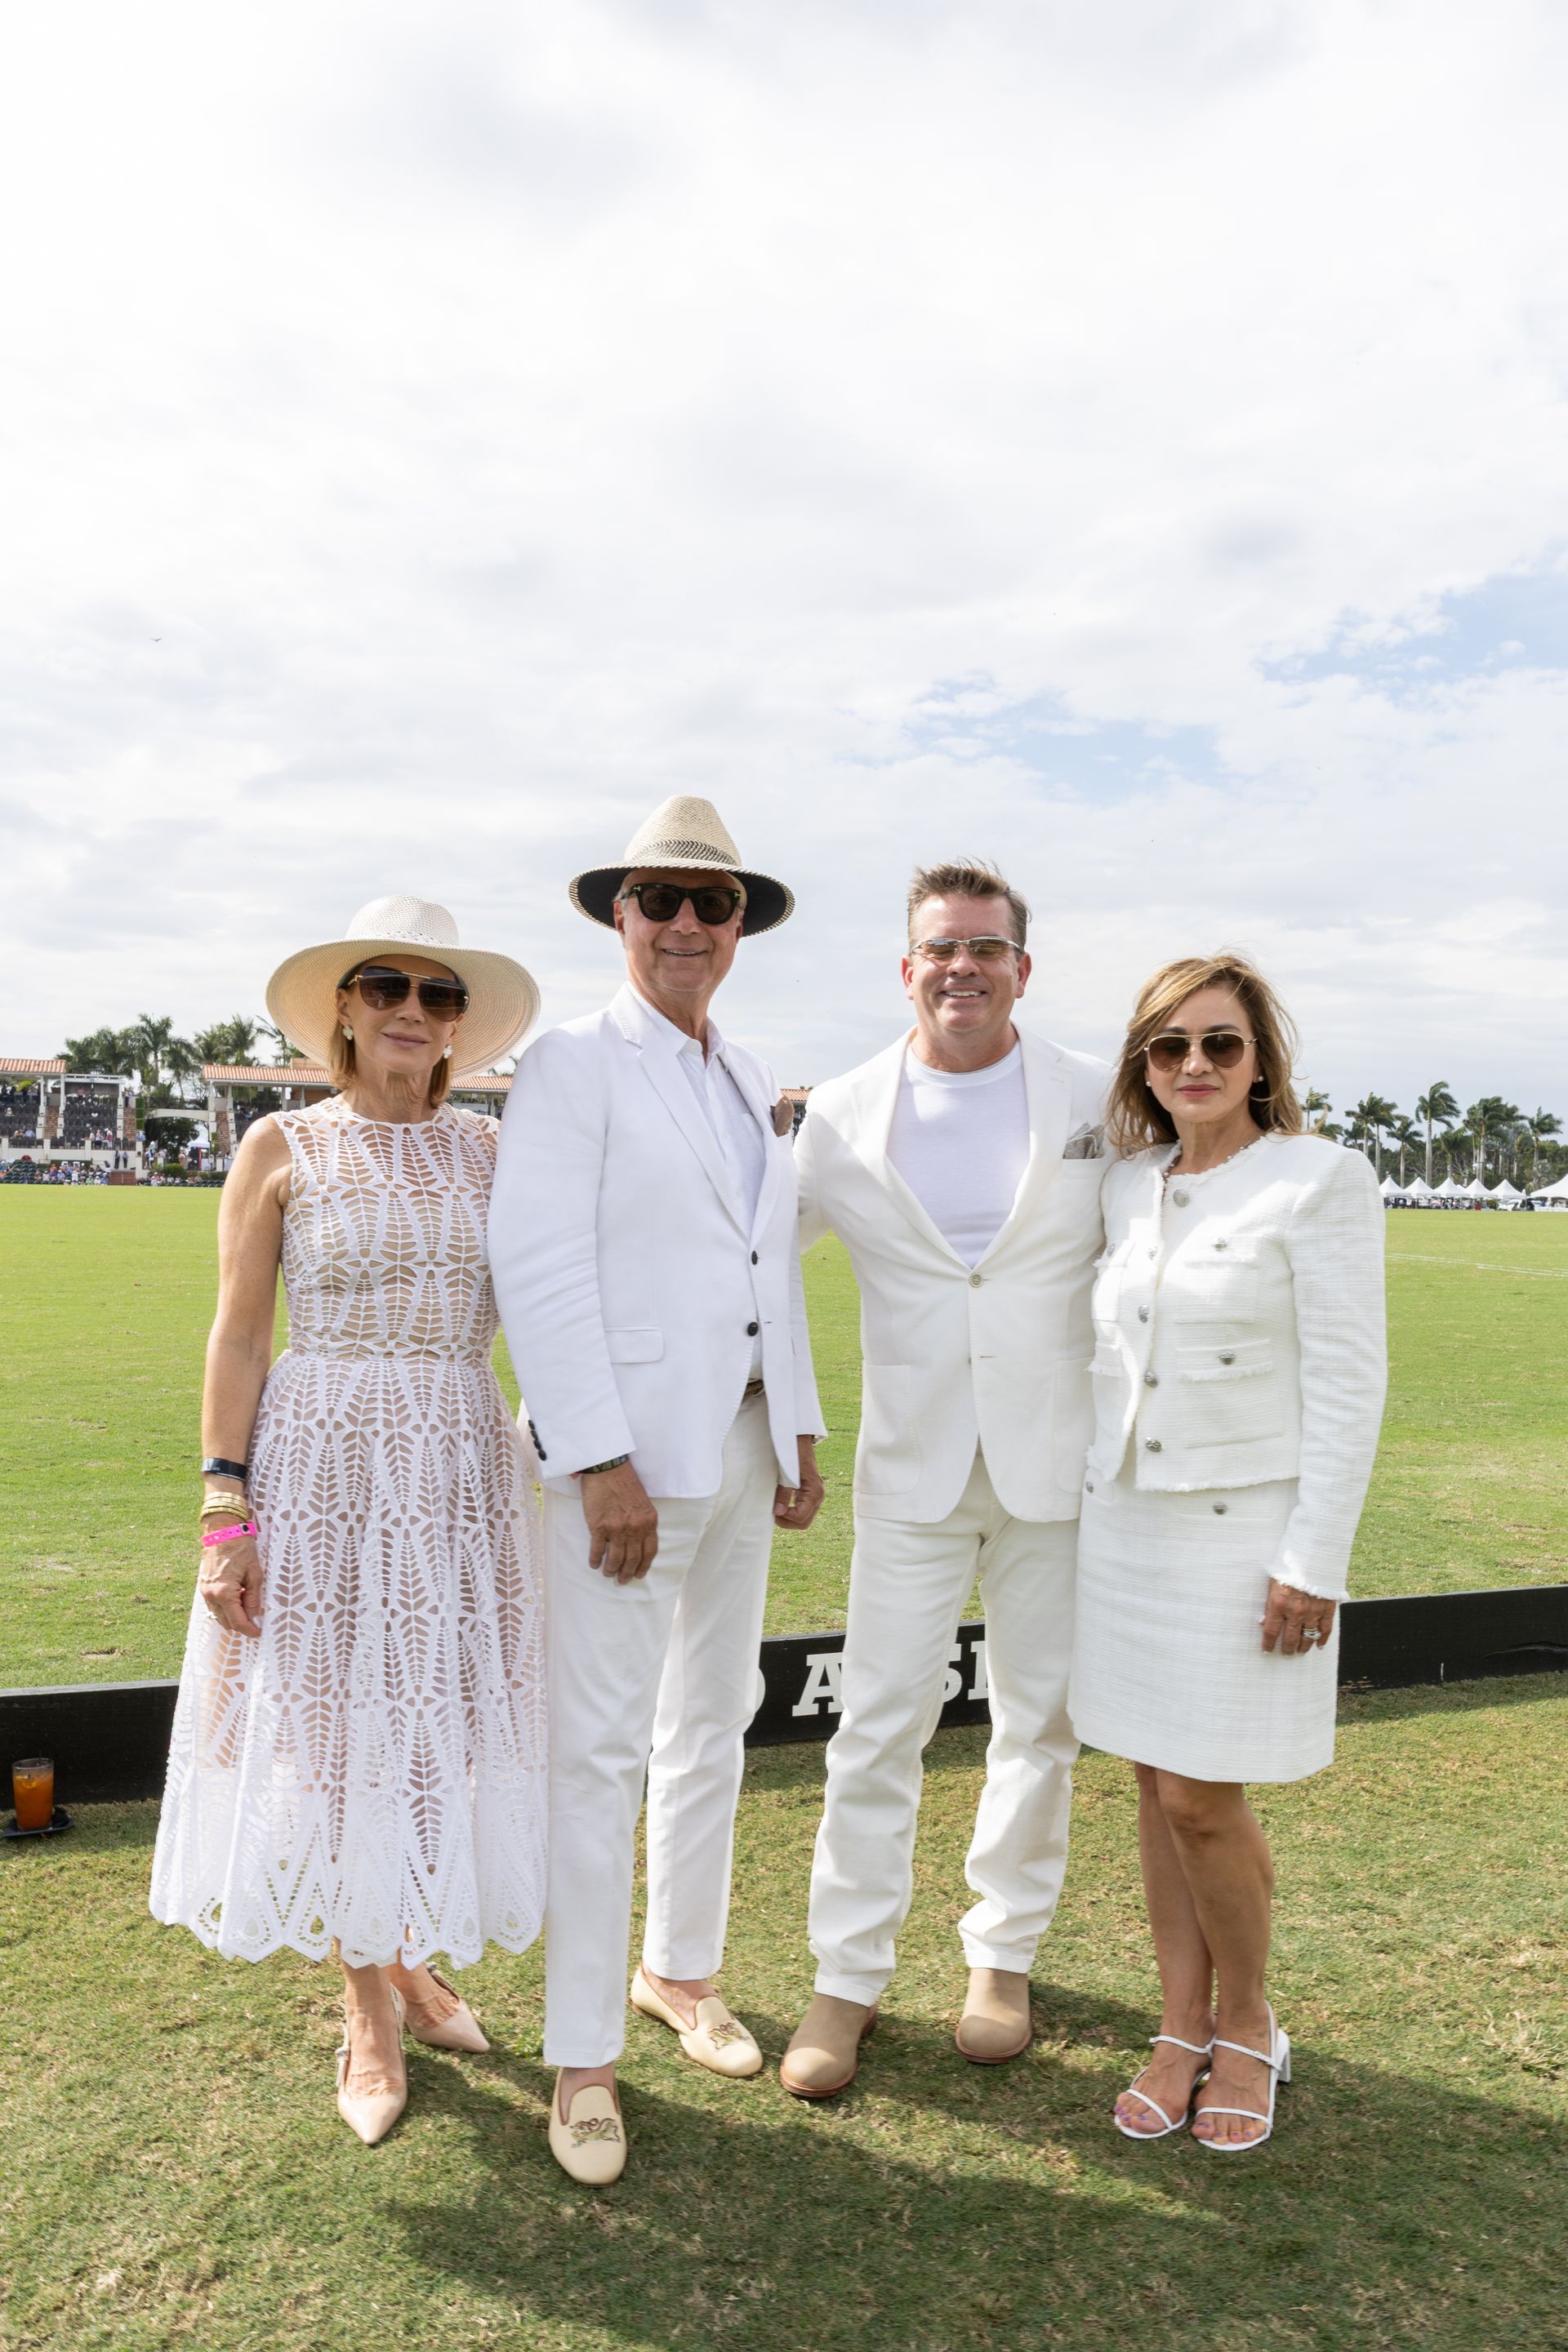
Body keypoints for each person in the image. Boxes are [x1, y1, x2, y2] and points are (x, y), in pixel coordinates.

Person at [150, 896, 547, 2146]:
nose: (413, 1015)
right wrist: (225, 1507)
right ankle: (367, 2003)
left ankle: (409, 1947)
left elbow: (549, 1304)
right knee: (328, 1725)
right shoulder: (282, 1146)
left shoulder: (493, 1152)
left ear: (460, 1027)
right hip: (317, 1455)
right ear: (346, 1007)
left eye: (439, 997)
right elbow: (237, 1332)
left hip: (455, 1456)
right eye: (388, 988)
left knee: (438, 1712)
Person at [489, 795, 826, 2185]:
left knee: (717, 1720)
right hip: (620, 1468)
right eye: (659, 899)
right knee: (596, 1754)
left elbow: (766, 1269)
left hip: (742, 1452)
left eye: (714, 903)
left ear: (739, 928)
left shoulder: (746, 1072)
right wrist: (596, 1457)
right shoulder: (571, 1063)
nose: (687, 922)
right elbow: (541, 1262)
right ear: (617, 916)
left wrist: (796, 1422)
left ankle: (679, 1971)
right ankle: (581, 2057)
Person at [781, 861, 1111, 2098]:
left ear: (1023, 967)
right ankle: (846, 1980)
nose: (962, 967)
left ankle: (1001, 1955)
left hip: (1059, 1469)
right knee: (876, 1727)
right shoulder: (845, 1111)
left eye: (986, 947)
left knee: (1040, 1724)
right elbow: (757, 1270)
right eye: (940, 948)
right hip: (910, 1470)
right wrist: (781, 1421)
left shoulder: (1095, 1094)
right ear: (905, 967)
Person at [1071, 954, 1385, 2152]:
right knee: (1155, 1787)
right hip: (1128, 1527)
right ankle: (1179, 2023)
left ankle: (1250, 2023)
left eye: (1220, 1044)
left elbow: (1353, 1385)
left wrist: (1316, 1558)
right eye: (1169, 1048)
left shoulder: (1321, 1180)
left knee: (1207, 1795)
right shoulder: (1128, 1184)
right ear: (1143, 1068)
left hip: (1245, 1534)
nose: (1194, 1066)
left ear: (1262, 1060)